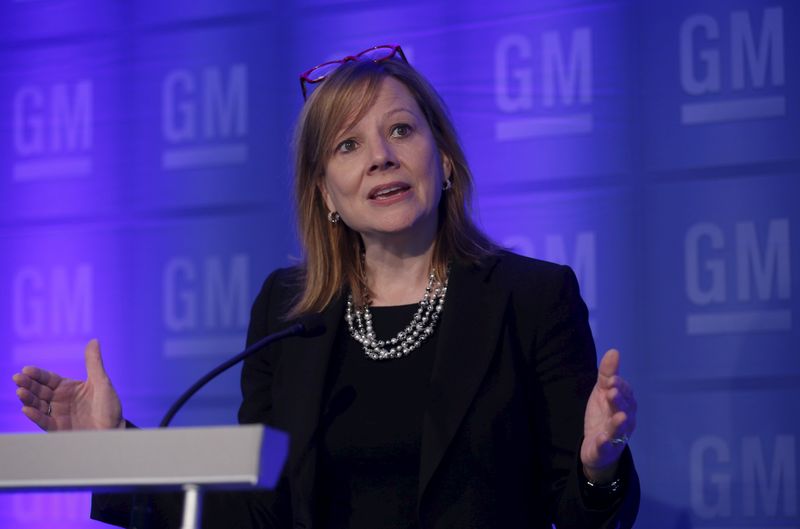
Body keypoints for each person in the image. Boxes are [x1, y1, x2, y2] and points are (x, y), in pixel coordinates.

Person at [12, 44, 640, 528]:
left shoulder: (531, 299)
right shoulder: (288, 315)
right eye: (348, 144)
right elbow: (257, 516)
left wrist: (596, 466)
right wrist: (115, 453)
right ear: (325, 194)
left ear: (443, 160)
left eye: (400, 130)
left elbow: (586, 513)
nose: (380, 157)